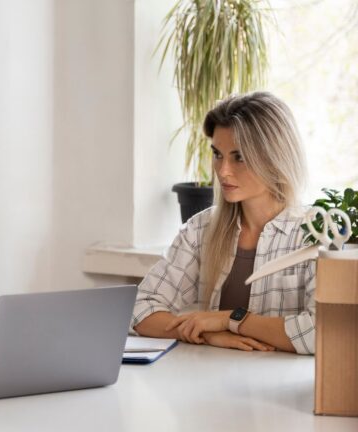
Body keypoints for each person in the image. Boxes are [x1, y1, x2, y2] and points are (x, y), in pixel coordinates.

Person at [131, 92, 316, 354]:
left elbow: (321, 333)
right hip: (210, 380)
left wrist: (231, 319)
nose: (222, 170)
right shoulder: (200, 229)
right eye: (218, 154)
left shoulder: (316, 235)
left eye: (238, 157)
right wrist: (207, 334)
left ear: (275, 157)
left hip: (283, 389)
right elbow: (140, 308)